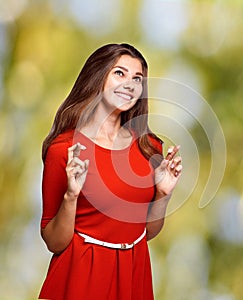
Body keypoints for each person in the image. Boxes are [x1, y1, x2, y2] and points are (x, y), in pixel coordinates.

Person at [39, 43, 182, 300]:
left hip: (133, 278)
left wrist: (162, 194)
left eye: (137, 78)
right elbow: (53, 241)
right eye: (119, 73)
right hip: (79, 280)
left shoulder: (149, 148)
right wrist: (71, 196)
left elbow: (146, 231)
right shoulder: (64, 149)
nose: (130, 84)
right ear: (98, 76)